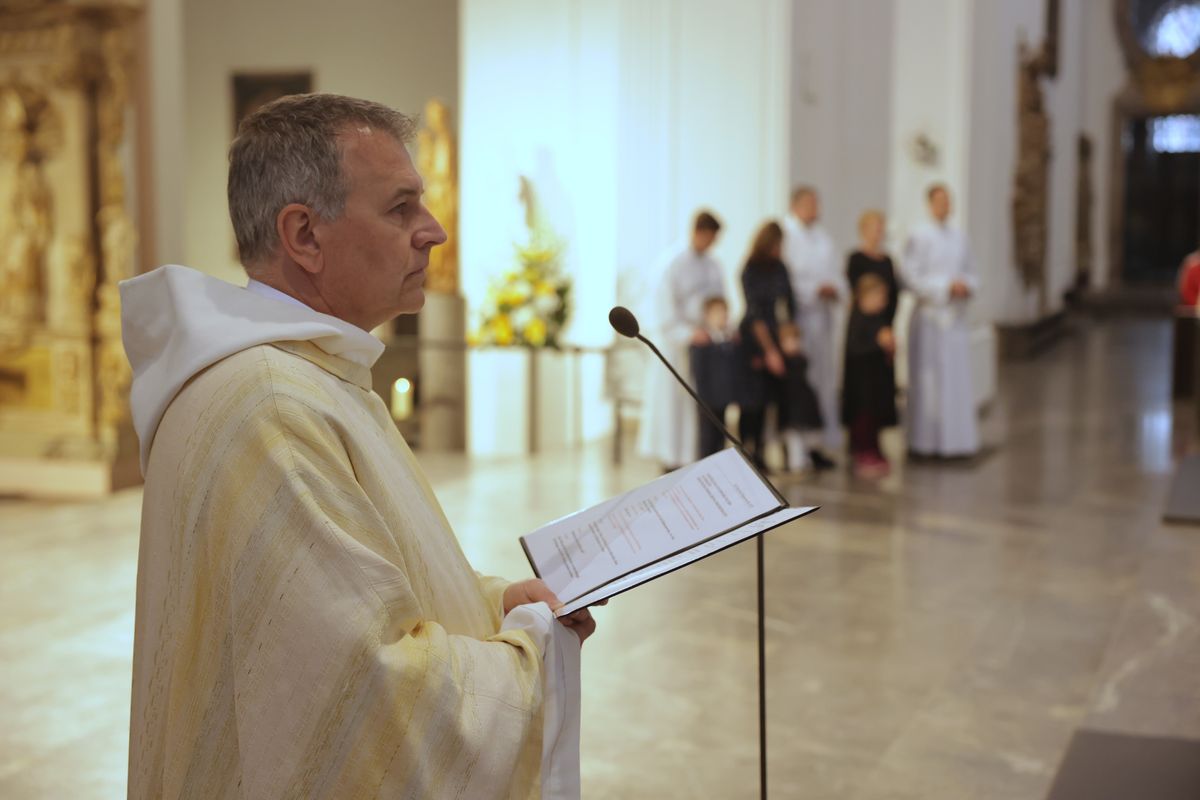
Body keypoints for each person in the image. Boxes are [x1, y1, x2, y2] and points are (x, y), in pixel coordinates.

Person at [121, 94, 595, 800]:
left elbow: (362, 594)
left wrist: (493, 604)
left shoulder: (306, 376)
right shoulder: (273, 409)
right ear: (304, 235)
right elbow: (372, 699)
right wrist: (532, 644)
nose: (433, 231)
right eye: (401, 208)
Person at [638, 210, 726, 471]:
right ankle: (671, 457)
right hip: (675, 345)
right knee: (674, 405)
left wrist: (716, 326)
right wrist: (687, 333)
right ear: (698, 232)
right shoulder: (671, 264)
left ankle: (694, 456)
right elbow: (662, 310)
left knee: (699, 405)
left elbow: (719, 301)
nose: (711, 244)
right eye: (709, 237)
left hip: (705, 345)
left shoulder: (713, 265)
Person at [901, 183, 980, 458]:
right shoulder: (918, 235)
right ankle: (924, 443)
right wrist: (946, 287)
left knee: (956, 382)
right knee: (928, 382)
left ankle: (956, 442)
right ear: (929, 204)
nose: (945, 205)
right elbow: (910, 276)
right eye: (940, 201)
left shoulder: (960, 236)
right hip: (930, 318)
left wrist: (966, 285)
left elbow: (971, 271)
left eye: (948, 200)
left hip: (955, 319)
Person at [738, 220, 817, 472]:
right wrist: (770, 351)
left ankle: (778, 450)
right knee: (754, 398)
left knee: (778, 395)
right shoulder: (749, 268)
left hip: (777, 333)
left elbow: (788, 305)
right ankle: (750, 450)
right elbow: (754, 314)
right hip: (754, 337)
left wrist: (789, 338)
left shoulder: (781, 268)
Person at [783, 186, 844, 468]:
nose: (814, 208)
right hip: (801, 320)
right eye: (809, 203)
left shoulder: (823, 238)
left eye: (816, 203)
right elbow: (787, 280)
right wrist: (813, 289)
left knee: (823, 382)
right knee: (801, 384)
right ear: (795, 206)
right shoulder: (786, 235)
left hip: (823, 318)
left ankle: (818, 443)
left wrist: (834, 288)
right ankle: (795, 446)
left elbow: (836, 273)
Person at [842, 210, 900, 477]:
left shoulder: (887, 260)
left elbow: (895, 295)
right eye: (875, 227)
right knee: (863, 402)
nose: (879, 232)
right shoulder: (856, 259)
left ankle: (874, 447)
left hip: (883, 327)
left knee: (879, 399)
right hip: (867, 344)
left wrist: (886, 329)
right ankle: (862, 449)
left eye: (881, 227)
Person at [689, 296, 740, 458]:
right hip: (707, 399)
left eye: (724, 312)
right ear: (707, 316)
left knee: (720, 435)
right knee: (707, 438)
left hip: (722, 397)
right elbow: (698, 371)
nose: (722, 316)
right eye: (717, 313)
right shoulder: (701, 342)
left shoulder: (729, 339)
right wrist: (702, 397)